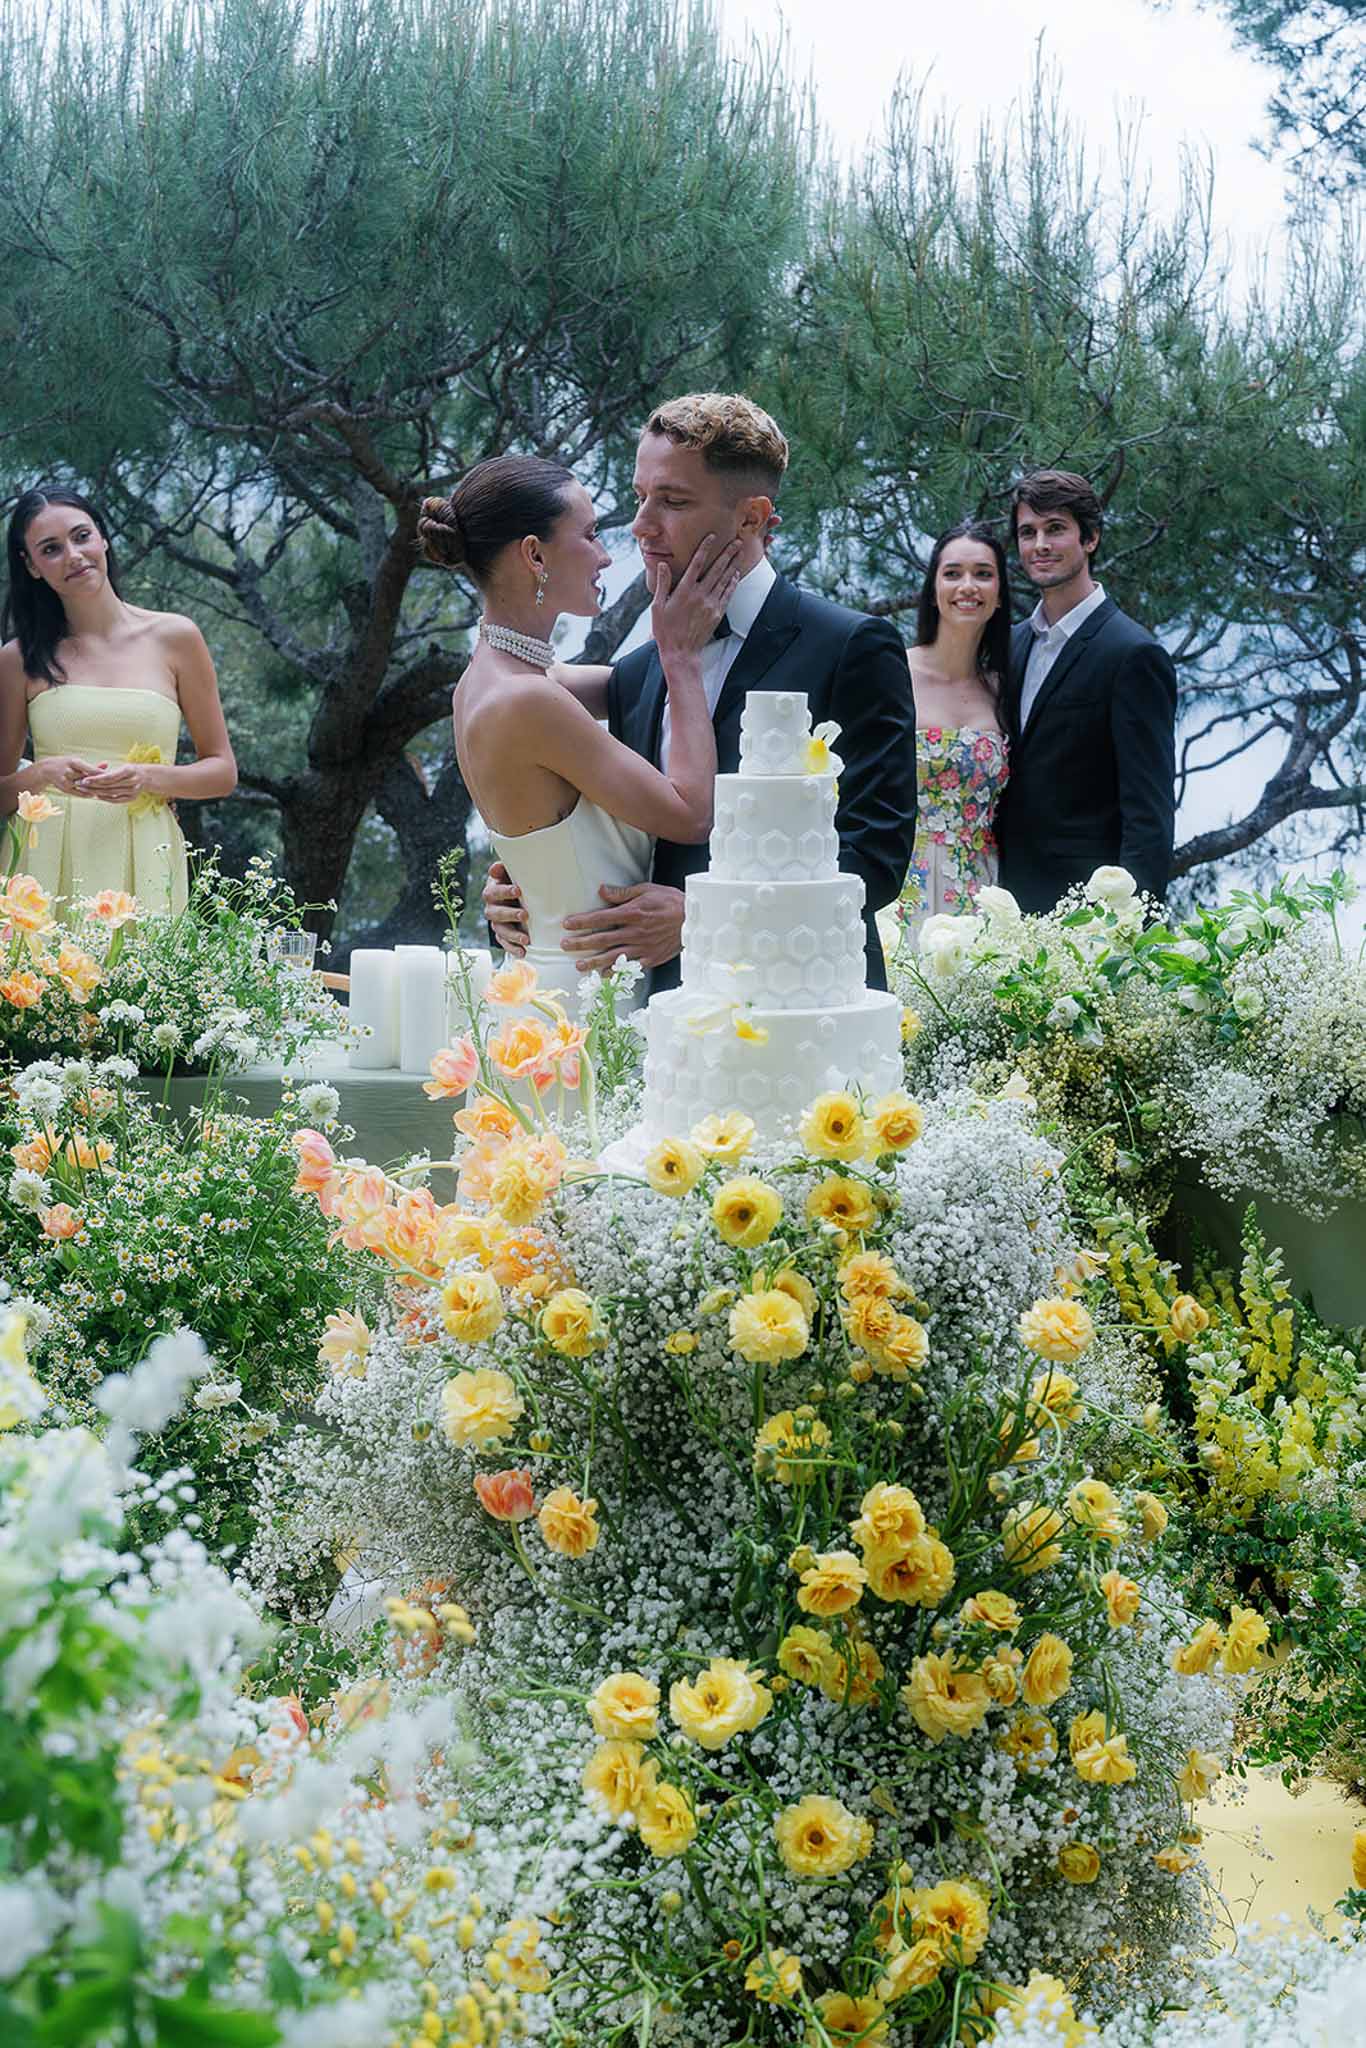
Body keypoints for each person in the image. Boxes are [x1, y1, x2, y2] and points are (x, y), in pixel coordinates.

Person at [485, 392, 916, 995]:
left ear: (750, 516)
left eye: (673, 501)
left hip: (800, 1006)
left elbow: (875, 860)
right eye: (640, 497)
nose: (640, 525)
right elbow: (616, 843)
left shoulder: (852, 648)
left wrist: (700, 915)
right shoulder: (639, 671)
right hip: (654, 1025)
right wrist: (523, 894)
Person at [421, 454, 740, 1009]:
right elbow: (690, 814)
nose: (604, 555)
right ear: (534, 554)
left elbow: (633, 687)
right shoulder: (528, 699)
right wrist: (682, 657)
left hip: (549, 982)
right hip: (582, 1003)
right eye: (590, 535)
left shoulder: (494, 681)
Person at [0, 487, 237, 914]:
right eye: (51, 549)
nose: (73, 555)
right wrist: (43, 773)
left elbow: (221, 771)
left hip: (145, 854)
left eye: (81, 536)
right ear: (31, 566)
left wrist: (148, 778)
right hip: (43, 866)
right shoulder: (17, 659)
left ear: (103, 539)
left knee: (148, 979)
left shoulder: (177, 638)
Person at [993, 469, 1176, 911]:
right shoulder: (1010, 644)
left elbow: (1148, 816)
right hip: (1005, 900)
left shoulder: (1134, 653)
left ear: (1090, 538)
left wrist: (1128, 930)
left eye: (1055, 529)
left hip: (1087, 913)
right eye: (1027, 532)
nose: (1040, 545)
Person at [896, 519, 1012, 942]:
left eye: (983, 574)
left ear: (999, 595)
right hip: (900, 883)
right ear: (934, 590)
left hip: (982, 885)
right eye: (953, 573)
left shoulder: (1004, 689)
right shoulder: (893, 674)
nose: (968, 586)